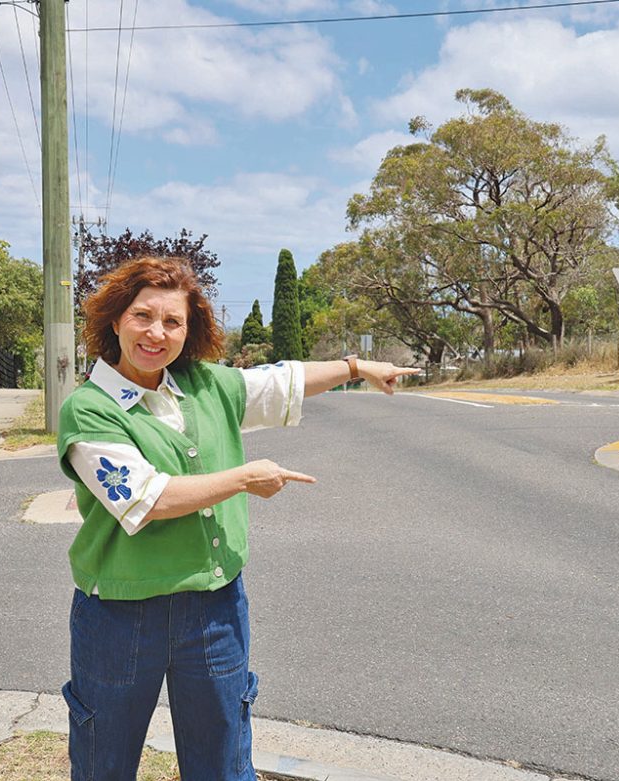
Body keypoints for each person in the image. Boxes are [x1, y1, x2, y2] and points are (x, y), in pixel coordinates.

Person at [56, 256, 418, 781]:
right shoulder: (90, 408)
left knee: (222, 759)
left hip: (214, 606)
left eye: (173, 322)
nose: (156, 333)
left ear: (189, 330)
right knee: (103, 761)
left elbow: (280, 382)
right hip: (119, 613)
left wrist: (357, 368)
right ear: (116, 321)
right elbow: (146, 499)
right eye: (143, 316)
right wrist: (244, 479)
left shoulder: (203, 386)